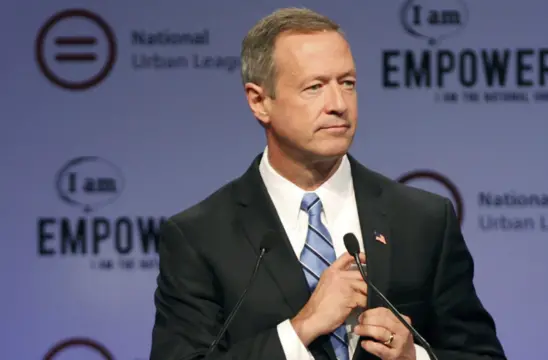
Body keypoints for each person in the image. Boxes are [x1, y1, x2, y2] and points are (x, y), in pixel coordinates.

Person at [149, 7, 506, 360]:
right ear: (259, 102)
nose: (338, 104)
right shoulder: (199, 238)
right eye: (315, 87)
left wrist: (414, 358)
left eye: (347, 83)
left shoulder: (423, 220)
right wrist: (300, 329)